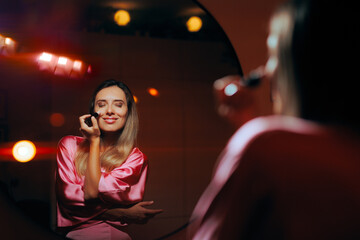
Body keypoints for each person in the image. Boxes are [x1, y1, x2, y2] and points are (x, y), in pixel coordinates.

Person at [188, 0, 360, 239]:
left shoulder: (267, 147)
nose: (267, 72)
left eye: (273, 55)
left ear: (301, 62)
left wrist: (251, 137)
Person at [56, 79, 162, 240]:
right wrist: (121, 213)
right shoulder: (69, 145)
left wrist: (94, 140)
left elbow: (91, 193)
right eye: (101, 104)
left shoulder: (135, 158)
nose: (110, 111)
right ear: (93, 111)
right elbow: (69, 199)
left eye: (118, 104)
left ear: (128, 112)